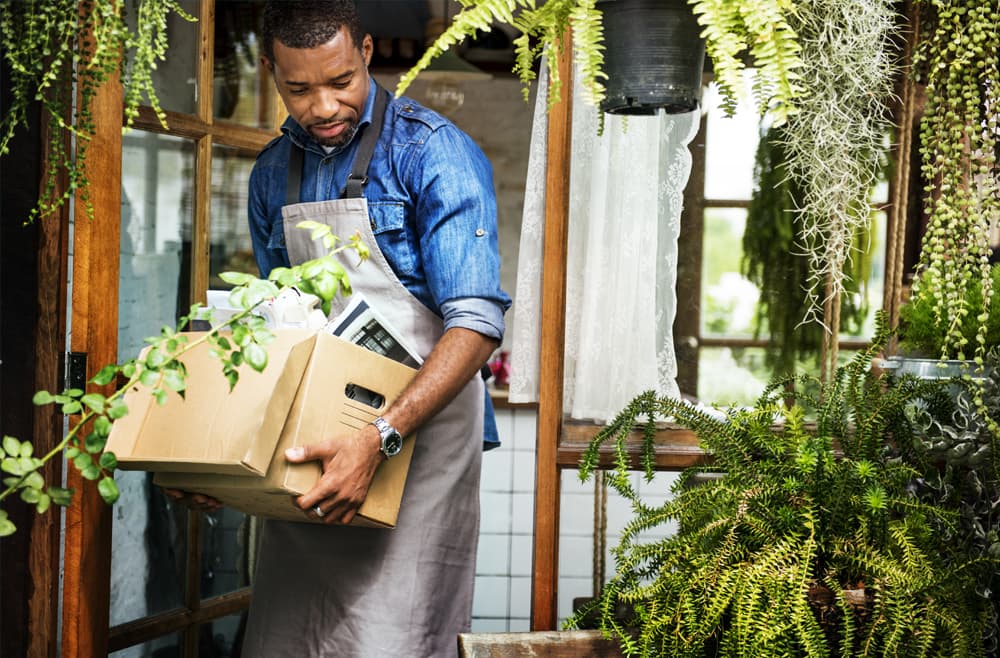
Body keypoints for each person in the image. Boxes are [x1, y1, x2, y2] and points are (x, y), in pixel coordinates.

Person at [235, 1, 509, 655]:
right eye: (299, 89)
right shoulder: (271, 174)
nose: (323, 106)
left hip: (419, 443)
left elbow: (474, 324)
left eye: (340, 82)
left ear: (364, 52)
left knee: (394, 637)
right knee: (287, 639)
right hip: (318, 448)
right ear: (273, 72)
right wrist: (226, 458)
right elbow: (280, 328)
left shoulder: (432, 154)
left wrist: (380, 437)